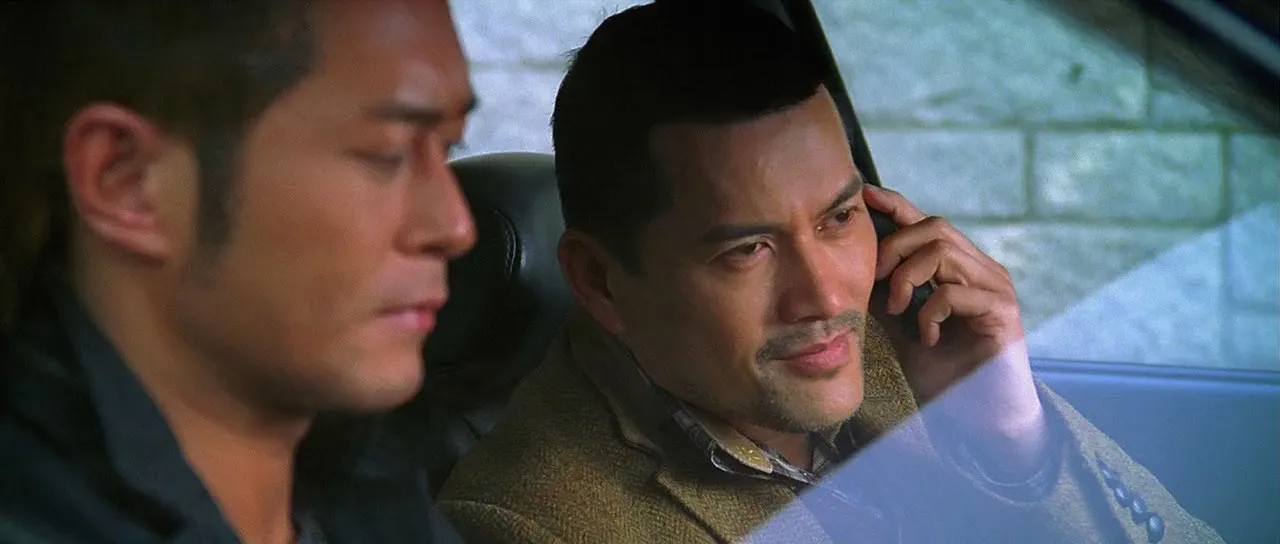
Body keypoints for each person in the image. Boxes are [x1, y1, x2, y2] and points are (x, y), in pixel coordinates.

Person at [436, 2, 1224, 543]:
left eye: (839, 217)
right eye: (747, 250)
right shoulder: (530, 525)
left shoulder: (911, 344)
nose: (826, 296)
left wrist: (1014, 441)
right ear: (602, 283)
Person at [0, 1, 476, 542]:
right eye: (387, 156)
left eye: (449, 148)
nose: (455, 227)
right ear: (126, 181)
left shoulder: (372, 486)